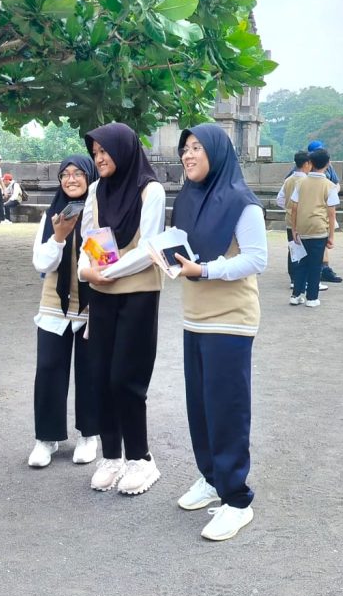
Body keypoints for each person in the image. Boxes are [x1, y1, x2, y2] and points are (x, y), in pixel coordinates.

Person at [171, 124, 267, 541]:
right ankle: (211, 478)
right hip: (195, 317)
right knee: (201, 407)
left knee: (227, 410)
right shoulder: (189, 198)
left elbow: (256, 260)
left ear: (216, 152)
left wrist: (205, 270)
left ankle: (237, 498)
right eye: (184, 149)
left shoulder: (242, 202)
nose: (188, 155)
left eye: (196, 148)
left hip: (230, 319)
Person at [78, 122, 165, 495]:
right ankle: (111, 456)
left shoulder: (152, 190)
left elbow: (148, 250)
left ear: (124, 150)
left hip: (138, 294)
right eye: (95, 154)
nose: (99, 159)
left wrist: (103, 273)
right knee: (99, 377)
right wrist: (89, 268)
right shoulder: (97, 190)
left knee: (126, 380)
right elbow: (88, 237)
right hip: (103, 295)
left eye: (105, 152)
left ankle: (141, 460)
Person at [28, 155, 101, 468]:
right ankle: (46, 438)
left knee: (90, 372)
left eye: (77, 174)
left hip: (90, 305)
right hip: (54, 306)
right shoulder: (51, 214)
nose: (71, 179)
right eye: (65, 175)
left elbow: (106, 260)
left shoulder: (99, 211)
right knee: (48, 369)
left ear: (89, 176)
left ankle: (89, 434)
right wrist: (59, 236)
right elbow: (41, 264)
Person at [287, 147, 338, 307]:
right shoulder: (329, 185)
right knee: (315, 265)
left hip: (302, 228)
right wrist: (331, 236)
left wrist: (294, 229)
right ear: (328, 164)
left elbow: (294, 207)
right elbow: (331, 213)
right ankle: (312, 297)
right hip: (318, 229)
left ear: (312, 163)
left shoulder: (301, 183)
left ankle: (296, 295)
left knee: (301, 263)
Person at [306, 140, 343, 284]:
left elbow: (336, 184)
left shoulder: (329, 168)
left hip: (323, 207)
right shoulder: (303, 167)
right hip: (310, 209)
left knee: (322, 239)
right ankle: (315, 270)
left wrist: (332, 192)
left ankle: (324, 268)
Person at [276, 151, 311, 288]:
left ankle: (293, 278)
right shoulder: (307, 182)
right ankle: (304, 279)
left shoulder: (288, 180)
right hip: (304, 221)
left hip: (290, 220)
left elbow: (279, 199)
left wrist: (288, 207)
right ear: (306, 164)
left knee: (293, 249)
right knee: (306, 250)